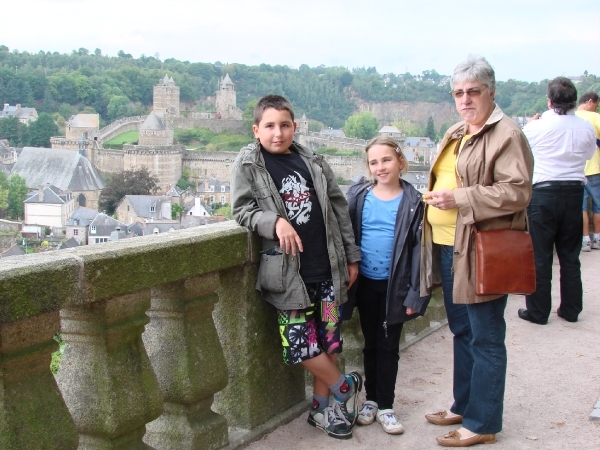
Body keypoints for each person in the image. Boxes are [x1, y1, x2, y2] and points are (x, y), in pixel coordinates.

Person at [230, 95, 363, 440]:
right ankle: (346, 389)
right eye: (270, 126)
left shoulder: (313, 160)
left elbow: (338, 209)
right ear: (256, 129)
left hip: (329, 270)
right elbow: (242, 210)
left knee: (329, 345)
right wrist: (273, 221)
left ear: (295, 127)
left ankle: (320, 410)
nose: (278, 133)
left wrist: (351, 256)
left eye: (285, 125)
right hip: (289, 278)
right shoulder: (247, 164)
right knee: (301, 346)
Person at [420, 55, 533, 447]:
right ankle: (464, 404)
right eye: (458, 92)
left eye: (473, 91)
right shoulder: (456, 131)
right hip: (450, 245)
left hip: (482, 249)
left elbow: (518, 191)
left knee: (485, 337)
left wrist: (459, 197)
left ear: (491, 92)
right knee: (463, 330)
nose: (465, 99)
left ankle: (483, 422)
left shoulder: (508, 134)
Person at [344, 136, 430, 435]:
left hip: (396, 286)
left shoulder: (414, 202)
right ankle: (371, 400)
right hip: (365, 283)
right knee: (370, 342)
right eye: (374, 162)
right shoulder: (359, 196)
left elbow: (421, 253)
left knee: (388, 345)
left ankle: (387, 405)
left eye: (386, 160)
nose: (380, 167)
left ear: (400, 162)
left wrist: (415, 294)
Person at [518, 78, 596, 325]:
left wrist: (530, 125)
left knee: (540, 256)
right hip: (574, 191)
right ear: (575, 100)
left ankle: (538, 311)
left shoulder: (535, 128)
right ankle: (571, 309)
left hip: (543, 192)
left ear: (549, 101)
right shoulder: (585, 127)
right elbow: (588, 155)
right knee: (570, 256)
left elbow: (522, 152)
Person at [575, 92, 600, 252]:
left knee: (581, 208)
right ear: (591, 102)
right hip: (593, 168)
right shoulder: (595, 117)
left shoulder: (571, 117)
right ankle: (597, 238)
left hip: (576, 170)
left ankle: (585, 240)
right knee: (598, 206)